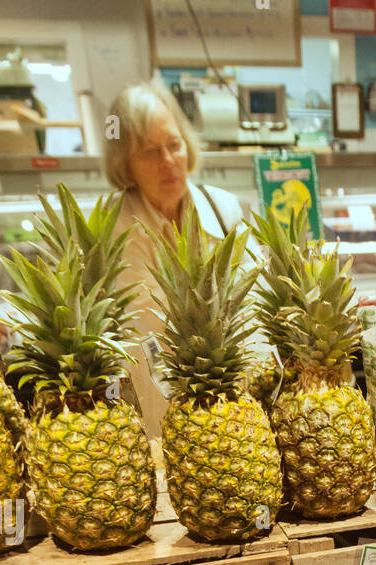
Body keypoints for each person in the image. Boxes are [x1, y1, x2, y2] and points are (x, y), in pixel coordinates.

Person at [104, 79, 250, 433]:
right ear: (126, 164)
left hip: (236, 414)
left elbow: (256, 310)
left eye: (174, 144)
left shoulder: (224, 208)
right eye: (150, 152)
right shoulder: (108, 230)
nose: (168, 161)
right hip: (152, 419)